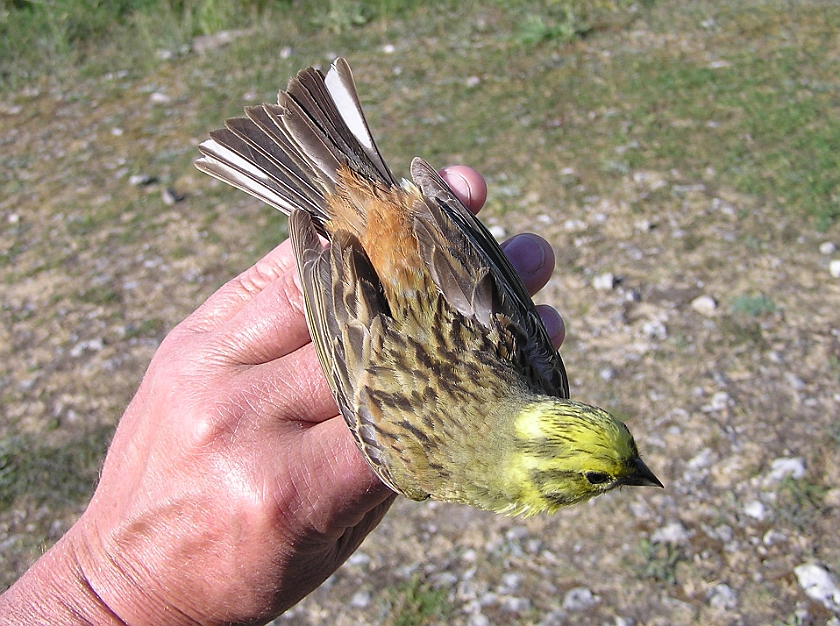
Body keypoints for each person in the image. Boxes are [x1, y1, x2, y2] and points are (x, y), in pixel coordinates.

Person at [0, 166, 565, 625]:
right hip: (358, 281)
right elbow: (351, 361)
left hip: (426, 247)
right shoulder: (422, 467)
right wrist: (122, 600)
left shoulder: (543, 382)